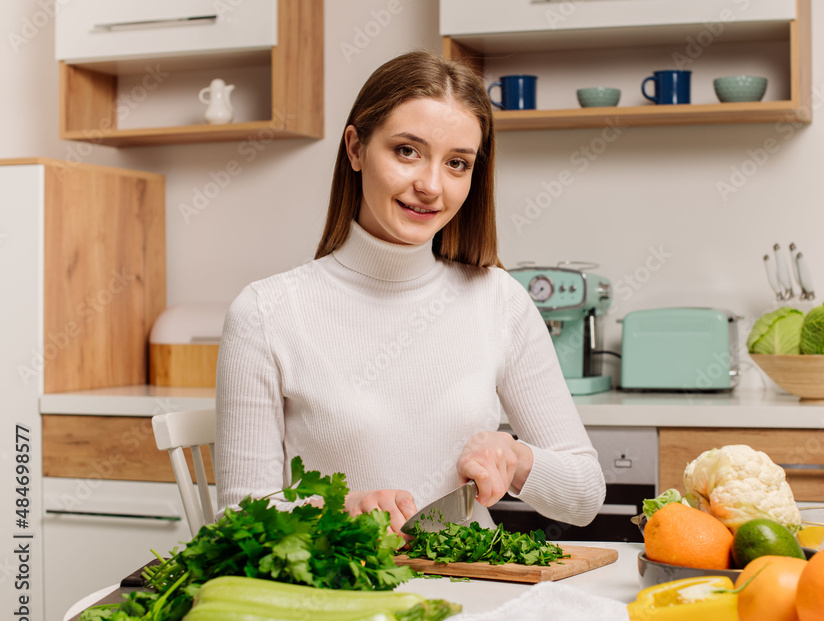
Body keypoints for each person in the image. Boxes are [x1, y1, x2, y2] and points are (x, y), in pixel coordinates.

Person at [215, 50, 606, 534]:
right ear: (356, 149)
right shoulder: (267, 312)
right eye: (407, 151)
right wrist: (335, 514)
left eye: (458, 163)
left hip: (473, 585)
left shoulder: (499, 300)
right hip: (346, 597)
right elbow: (237, 520)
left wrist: (517, 458)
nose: (431, 186)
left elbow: (585, 494)